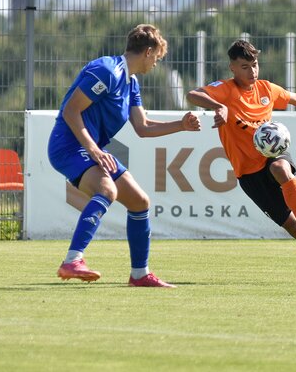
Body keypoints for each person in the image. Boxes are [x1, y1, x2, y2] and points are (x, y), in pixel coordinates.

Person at [186, 40, 296, 283]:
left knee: (280, 168)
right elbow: (193, 94)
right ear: (233, 68)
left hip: (270, 155)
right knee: (295, 233)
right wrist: (219, 107)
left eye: (255, 65)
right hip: (248, 174)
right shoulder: (226, 90)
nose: (252, 71)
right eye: (245, 67)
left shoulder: (266, 89)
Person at [48, 24, 201, 288]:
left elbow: (143, 127)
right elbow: (71, 112)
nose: (156, 63)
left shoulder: (131, 82)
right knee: (107, 190)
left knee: (140, 202)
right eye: (157, 58)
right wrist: (94, 149)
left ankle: (140, 275)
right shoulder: (107, 71)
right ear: (148, 52)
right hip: (68, 146)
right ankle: (72, 260)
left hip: (89, 148)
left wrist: (182, 125)